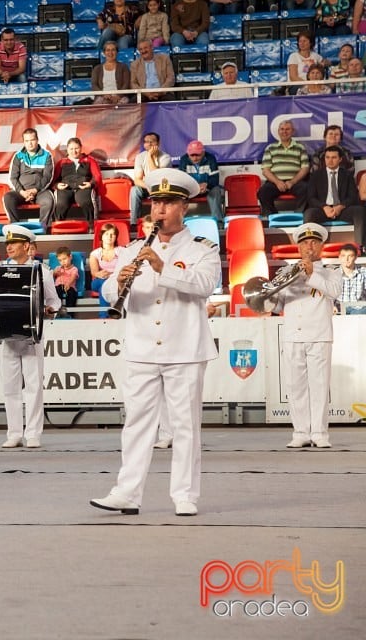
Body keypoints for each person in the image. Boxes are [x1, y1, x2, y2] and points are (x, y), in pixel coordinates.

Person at [90, 168, 221, 517]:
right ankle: (127, 492)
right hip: (142, 348)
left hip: (185, 349)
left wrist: (163, 266)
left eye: (168, 203)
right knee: (136, 423)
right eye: (156, 202)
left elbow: (204, 285)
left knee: (185, 426)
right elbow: (105, 290)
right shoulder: (133, 248)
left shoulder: (202, 250)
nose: (159, 210)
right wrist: (120, 281)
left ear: (184, 207)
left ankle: (185, 495)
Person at [274, 223, 342, 448]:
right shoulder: (286, 272)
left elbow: (334, 292)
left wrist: (312, 273)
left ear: (321, 246)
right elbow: (276, 304)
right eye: (304, 242)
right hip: (293, 334)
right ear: (298, 246)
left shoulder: (332, 271)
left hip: (319, 334)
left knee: (320, 386)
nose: (309, 246)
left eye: (314, 242)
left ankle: (320, 433)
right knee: (296, 387)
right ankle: (300, 432)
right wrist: (264, 295)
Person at [0, 225, 61, 449]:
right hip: (7, 334)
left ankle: (33, 433)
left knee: (33, 386)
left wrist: (49, 310)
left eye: (13, 243)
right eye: (7, 244)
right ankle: (14, 432)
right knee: (9, 387)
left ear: (26, 246)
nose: (9, 247)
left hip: (32, 335)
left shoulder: (41, 271)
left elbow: (54, 301)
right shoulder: (0, 269)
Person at [303, 146, 366, 250]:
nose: (330, 160)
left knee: (359, 211)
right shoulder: (316, 175)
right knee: (309, 213)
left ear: (340, 159)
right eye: (327, 157)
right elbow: (311, 197)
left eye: (333, 157)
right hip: (322, 210)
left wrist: (340, 206)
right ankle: (310, 248)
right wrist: (324, 207)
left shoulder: (347, 175)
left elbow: (352, 196)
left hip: (343, 210)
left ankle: (360, 247)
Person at [4, 128, 55, 227]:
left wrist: (35, 190)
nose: (30, 143)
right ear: (23, 142)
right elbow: (13, 178)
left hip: (40, 191)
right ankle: (16, 227)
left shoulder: (47, 155)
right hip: (22, 192)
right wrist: (22, 192)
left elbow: (48, 177)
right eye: (27, 141)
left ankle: (43, 228)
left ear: (37, 140)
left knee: (49, 200)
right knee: (8, 198)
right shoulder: (18, 156)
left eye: (32, 140)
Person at [258, 120, 310, 216]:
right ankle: (272, 216)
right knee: (263, 192)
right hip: (275, 182)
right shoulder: (270, 148)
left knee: (307, 189)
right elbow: (265, 170)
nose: (284, 132)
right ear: (278, 131)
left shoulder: (300, 147)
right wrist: (277, 182)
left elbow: (305, 168)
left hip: (295, 182)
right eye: (282, 129)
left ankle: (299, 216)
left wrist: (292, 182)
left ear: (292, 131)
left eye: (287, 129)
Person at [52, 137, 103, 222]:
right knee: (61, 204)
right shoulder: (61, 162)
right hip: (66, 189)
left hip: (83, 188)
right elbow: (54, 179)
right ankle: (58, 226)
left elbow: (97, 176)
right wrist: (57, 185)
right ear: (67, 149)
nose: (74, 151)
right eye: (71, 149)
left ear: (81, 148)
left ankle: (92, 225)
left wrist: (91, 184)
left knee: (86, 202)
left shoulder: (90, 160)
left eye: (76, 148)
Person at [130, 131, 172, 224]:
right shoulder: (140, 157)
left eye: (152, 141)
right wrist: (148, 186)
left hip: (161, 186)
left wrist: (149, 156)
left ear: (158, 143)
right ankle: (134, 223)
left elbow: (156, 175)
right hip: (147, 187)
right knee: (134, 190)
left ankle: (159, 222)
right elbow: (137, 180)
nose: (149, 144)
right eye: (146, 142)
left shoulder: (165, 157)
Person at [178, 140, 224, 221]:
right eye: (192, 155)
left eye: (198, 155)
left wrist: (207, 185)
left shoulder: (211, 158)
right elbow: (181, 179)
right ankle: (179, 222)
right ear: (188, 154)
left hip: (207, 188)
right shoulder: (184, 159)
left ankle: (218, 222)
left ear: (203, 152)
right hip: (190, 189)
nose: (195, 158)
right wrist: (194, 187)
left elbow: (215, 179)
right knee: (179, 193)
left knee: (216, 190)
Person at [89, 222, 123, 314]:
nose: (110, 236)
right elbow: (94, 273)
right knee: (103, 283)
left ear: (116, 237)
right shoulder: (95, 253)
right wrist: (100, 274)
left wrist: (111, 275)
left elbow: (124, 270)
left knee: (104, 285)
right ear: (102, 236)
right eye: (107, 234)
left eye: (112, 234)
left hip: (116, 281)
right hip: (99, 280)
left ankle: (103, 316)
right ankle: (109, 314)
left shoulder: (122, 251)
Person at [337, 243, 366, 308]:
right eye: (343, 256)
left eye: (350, 256)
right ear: (339, 257)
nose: (346, 259)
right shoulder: (333, 274)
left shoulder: (364, 272)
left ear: (356, 257)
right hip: (339, 311)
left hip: (359, 310)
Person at [53, 245, 79, 314]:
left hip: (70, 287)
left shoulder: (74, 269)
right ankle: (57, 311)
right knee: (56, 291)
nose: (62, 262)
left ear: (70, 257)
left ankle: (70, 313)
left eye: (64, 259)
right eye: (60, 260)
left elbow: (73, 277)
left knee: (71, 295)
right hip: (59, 287)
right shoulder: (58, 268)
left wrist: (68, 284)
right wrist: (54, 272)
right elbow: (51, 276)